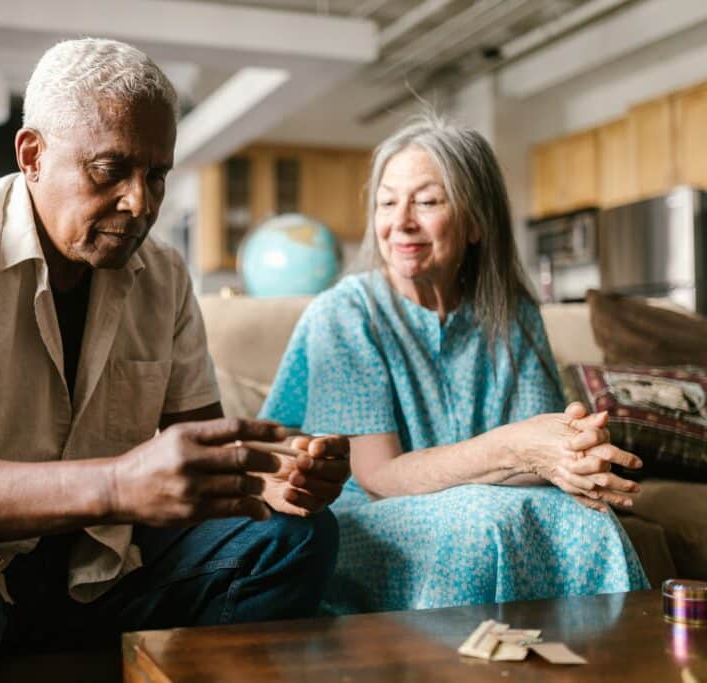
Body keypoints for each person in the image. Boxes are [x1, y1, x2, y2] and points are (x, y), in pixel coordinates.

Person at [0, 38, 349, 681]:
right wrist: (118, 484)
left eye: (157, 175)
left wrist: (271, 475)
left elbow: (203, 456)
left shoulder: (163, 276)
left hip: (99, 577)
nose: (140, 203)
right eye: (109, 170)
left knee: (294, 539)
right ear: (32, 155)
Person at [259, 113, 648, 615]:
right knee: (479, 525)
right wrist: (514, 447)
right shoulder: (345, 314)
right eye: (386, 202)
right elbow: (379, 477)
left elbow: (536, 456)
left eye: (425, 201)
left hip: (478, 501)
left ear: (475, 222)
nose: (400, 222)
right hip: (364, 519)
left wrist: (570, 456)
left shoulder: (514, 312)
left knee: (586, 516)